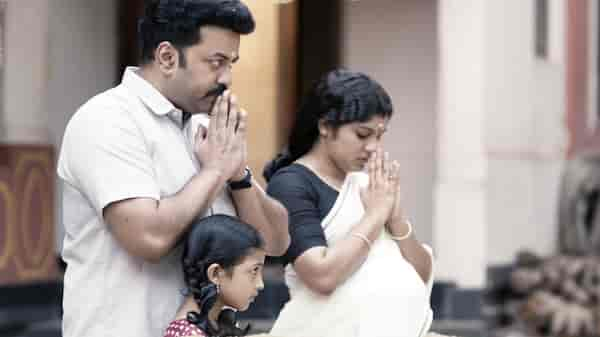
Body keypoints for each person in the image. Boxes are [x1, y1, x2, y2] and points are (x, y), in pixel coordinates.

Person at [56, 1, 290, 337]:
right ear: (167, 57)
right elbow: (148, 237)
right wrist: (214, 172)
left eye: (231, 63)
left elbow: (277, 242)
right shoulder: (107, 120)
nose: (227, 78)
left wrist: (238, 176)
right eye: (216, 62)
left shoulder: (204, 128)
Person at [263, 69, 434, 337]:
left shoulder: (368, 186)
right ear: (325, 127)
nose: (374, 147)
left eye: (380, 135)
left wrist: (396, 218)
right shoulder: (291, 184)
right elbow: (322, 276)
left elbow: (422, 274)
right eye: (363, 134)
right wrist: (376, 215)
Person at [164, 214, 265, 337]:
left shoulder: (213, 324)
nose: (260, 284)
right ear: (215, 274)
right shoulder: (188, 334)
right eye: (254, 270)